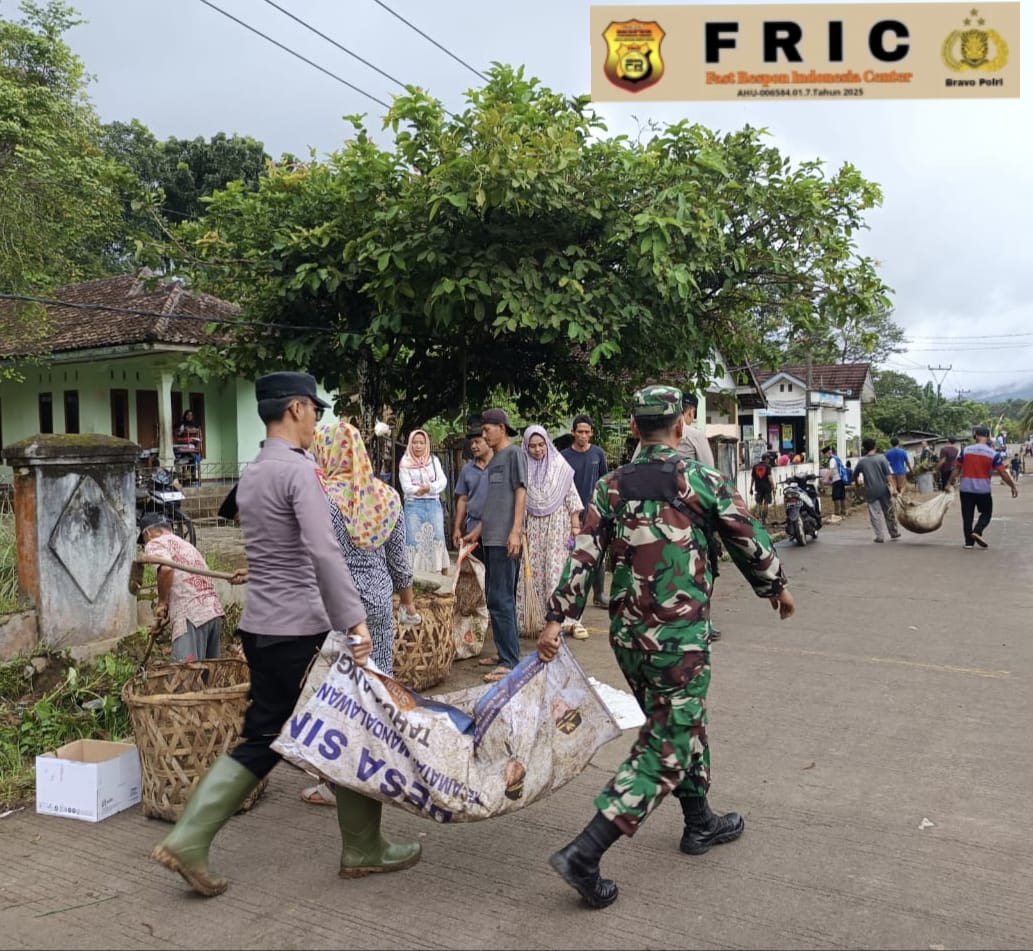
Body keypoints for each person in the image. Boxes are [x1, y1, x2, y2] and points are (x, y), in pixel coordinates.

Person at [151, 371, 420, 897]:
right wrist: (356, 620)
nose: (317, 420)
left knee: (269, 735)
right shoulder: (301, 473)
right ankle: (362, 847)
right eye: (314, 410)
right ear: (296, 408)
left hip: (261, 626)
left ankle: (192, 836)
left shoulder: (252, 472)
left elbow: (272, 548)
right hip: (303, 629)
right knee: (355, 727)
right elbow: (323, 551)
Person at [535, 385, 795, 910]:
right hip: (679, 638)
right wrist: (776, 587)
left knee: (676, 722)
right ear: (680, 427)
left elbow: (582, 555)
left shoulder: (610, 486)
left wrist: (556, 618)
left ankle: (699, 822)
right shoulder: (700, 478)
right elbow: (747, 537)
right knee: (669, 743)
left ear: (633, 428)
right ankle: (586, 853)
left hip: (629, 637)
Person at [301, 418, 422, 807]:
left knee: (339, 694)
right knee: (377, 687)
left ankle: (339, 783)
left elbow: (313, 558)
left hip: (336, 605)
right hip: (379, 603)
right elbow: (399, 561)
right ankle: (381, 768)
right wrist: (407, 601)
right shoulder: (386, 497)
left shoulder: (322, 497)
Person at [461, 407, 527, 684]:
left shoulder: (514, 454)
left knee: (502, 600)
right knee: (495, 599)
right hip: (490, 538)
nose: (483, 434)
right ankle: (504, 655)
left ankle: (511, 661)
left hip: (505, 540)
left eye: (487, 429)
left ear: (501, 427)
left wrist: (515, 532)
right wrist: (476, 531)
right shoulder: (496, 459)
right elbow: (493, 503)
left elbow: (521, 492)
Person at [518, 425, 585, 640]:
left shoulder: (559, 466)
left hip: (557, 526)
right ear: (526, 447)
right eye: (532, 446)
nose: (537, 450)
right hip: (533, 528)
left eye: (541, 445)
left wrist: (575, 527)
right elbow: (519, 500)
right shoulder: (522, 467)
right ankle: (536, 618)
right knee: (534, 572)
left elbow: (571, 497)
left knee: (556, 571)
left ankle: (563, 619)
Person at [139, 513, 225, 663]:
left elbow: (166, 569)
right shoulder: (187, 545)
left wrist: (162, 603)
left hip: (191, 617)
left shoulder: (155, 543)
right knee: (209, 675)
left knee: (184, 676)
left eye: (143, 541)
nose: (145, 544)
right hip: (213, 613)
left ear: (147, 533)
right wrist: (166, 619)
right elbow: (189, 586)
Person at [561, 414, 610, 608]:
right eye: (579, 432)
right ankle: (569, 594)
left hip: (593, 512)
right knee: (570, 554)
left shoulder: (598, 454)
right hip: (570, 513)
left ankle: (599, 594)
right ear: (573, 433)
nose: (583, 435)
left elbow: (604, 481)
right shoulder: (564, 457)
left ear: (591, 433)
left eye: (586, 432)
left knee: (597, 553)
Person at [943, 424, 1018, 548]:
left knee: (967, 516)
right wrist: (1012, 486)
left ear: (975, 436)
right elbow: (1002, 472)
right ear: (988, 437)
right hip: (983, 490)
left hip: (966, 489)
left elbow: (956, 469)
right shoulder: (993, 454)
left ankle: (968, 543)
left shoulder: (966, 450)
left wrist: (948, 483)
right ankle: (977, 531)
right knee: (986, 513)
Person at [398, 428, 450, 576]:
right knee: (413, 540)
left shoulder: (433, 461)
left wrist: (429, 488)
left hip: (433, 504)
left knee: (438, 537)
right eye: (414, 442)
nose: (418, 446)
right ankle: (414, 575)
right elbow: (406, 486)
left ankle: (442, 573)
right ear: (410, 444)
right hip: (413, 505)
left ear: (426, 444)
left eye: (421, 443)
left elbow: (442, 481)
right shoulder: (405, 462)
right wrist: (418, 491)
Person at [452, 424, 494, 559]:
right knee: (476, 572)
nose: (473, 446)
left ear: (488, 441)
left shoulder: (500, 465)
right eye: (472, 443)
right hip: (472, 527)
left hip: (495, 528)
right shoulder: (467, 469)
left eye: (477, 442)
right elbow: (463, 499)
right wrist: (457, 527)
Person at [852, 438, 900, 543]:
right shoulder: (882, 458)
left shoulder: (862, 462)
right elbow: (888, 475)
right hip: (883, 489)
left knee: (875, 514)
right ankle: (894, 532)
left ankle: (880, 536)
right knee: (888, 511)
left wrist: (857, 484)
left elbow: (854, 474)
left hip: (870, 491)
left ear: (864, 448)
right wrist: (894, 489)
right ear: (875, 446)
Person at [821, 445, 849, 518]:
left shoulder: (832, 460)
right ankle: (844, 511)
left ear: (827, 453)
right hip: (841, 479)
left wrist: (825, 479)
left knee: (836, 497)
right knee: (842, 496)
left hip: (837, 480)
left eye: (825, 454)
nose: (825, 456)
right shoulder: (836, 458)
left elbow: (831, 470)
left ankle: (837, 513)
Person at [176, 409, 203, 482]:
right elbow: (178, 435)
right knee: (186, 459)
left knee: (193, 459)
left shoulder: (195, 424)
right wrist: (182, 431)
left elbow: (200, 436)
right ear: (185, 416)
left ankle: (193, 478)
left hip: (193, 446)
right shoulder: (182, 424)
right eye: (188, 415)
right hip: (184, 446)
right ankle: (183, 478)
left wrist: (198, 445)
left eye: (191, 415)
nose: (189, 416)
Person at [750, 453, 776, 524]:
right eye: (769, 459)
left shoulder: (755, 466)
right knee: (766, 503)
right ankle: (765, 519)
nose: (770, 460)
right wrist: (773, 487)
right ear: (766, 459)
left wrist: (750, 488)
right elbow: (769, 478)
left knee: (759, 503)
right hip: (767, 488)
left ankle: (758, 517)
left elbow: (753, 478)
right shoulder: (768, 466)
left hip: (758, 488)